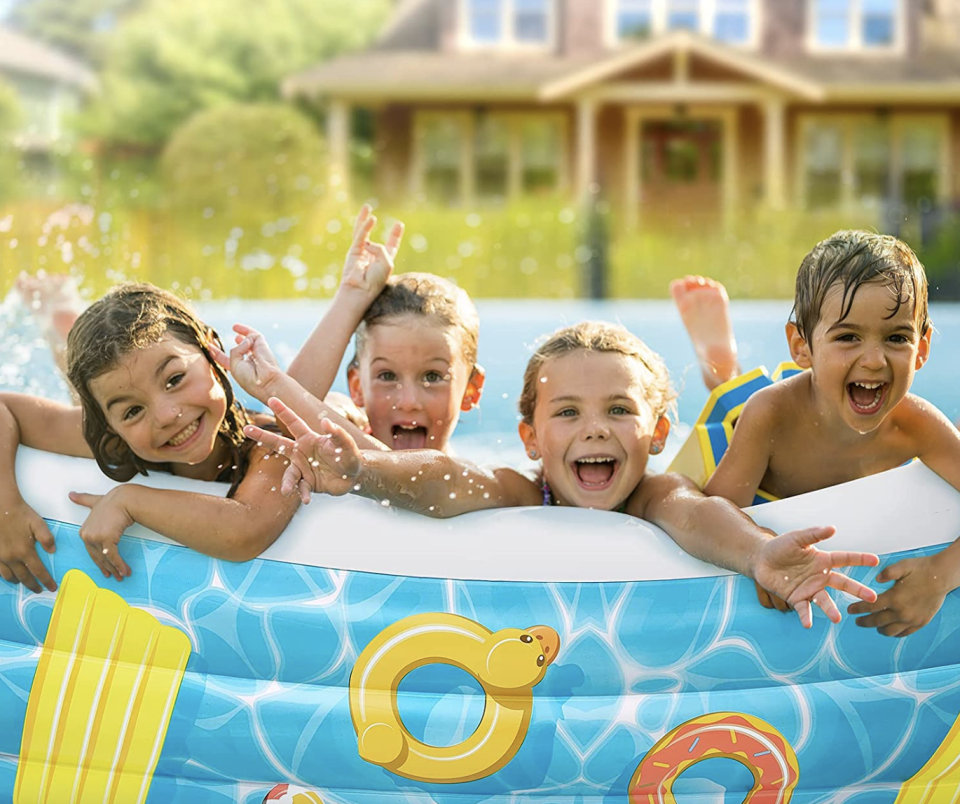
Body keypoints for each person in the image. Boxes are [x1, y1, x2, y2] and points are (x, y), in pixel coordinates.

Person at [246, 321, 880, 629]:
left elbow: (698, 513)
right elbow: (447, 478)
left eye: (620, 411)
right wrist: (364, 471)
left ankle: (723, 372)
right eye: (568, 413)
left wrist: (759, 553)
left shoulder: (652, 496)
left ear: (658, 434)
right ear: (531, 438)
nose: (594, 430)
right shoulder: (521, 491)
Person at [0, 282, 370, 594]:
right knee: (104, 381)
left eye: (175, 379)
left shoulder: (269, 442)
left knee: (328, 410)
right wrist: (4, 505)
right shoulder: (114, 440)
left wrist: (131, 499)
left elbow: (245, 530)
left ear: (211, 350)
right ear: (106, 428)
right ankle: (62, 324)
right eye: (132, 411)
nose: (166, 415)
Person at [696, 231, 960, 637]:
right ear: (801, 346)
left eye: (896, 338)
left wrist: (940, 576)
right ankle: (719, 360)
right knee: (732, 401)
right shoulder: (770, 415)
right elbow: (713, 515)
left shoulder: (916, 424)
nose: (874, 360)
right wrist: (759, 552)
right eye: (848, 337)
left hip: (825, 387)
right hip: (765, 429)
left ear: (921, 348)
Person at [285, 205, 484, 455]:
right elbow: (289, 417)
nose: (409, 402)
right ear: (357, 387)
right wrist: (352, 296)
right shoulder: (344, 450)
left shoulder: (481, 486)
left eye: (433, 376)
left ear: (470, 390)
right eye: (387, 376)